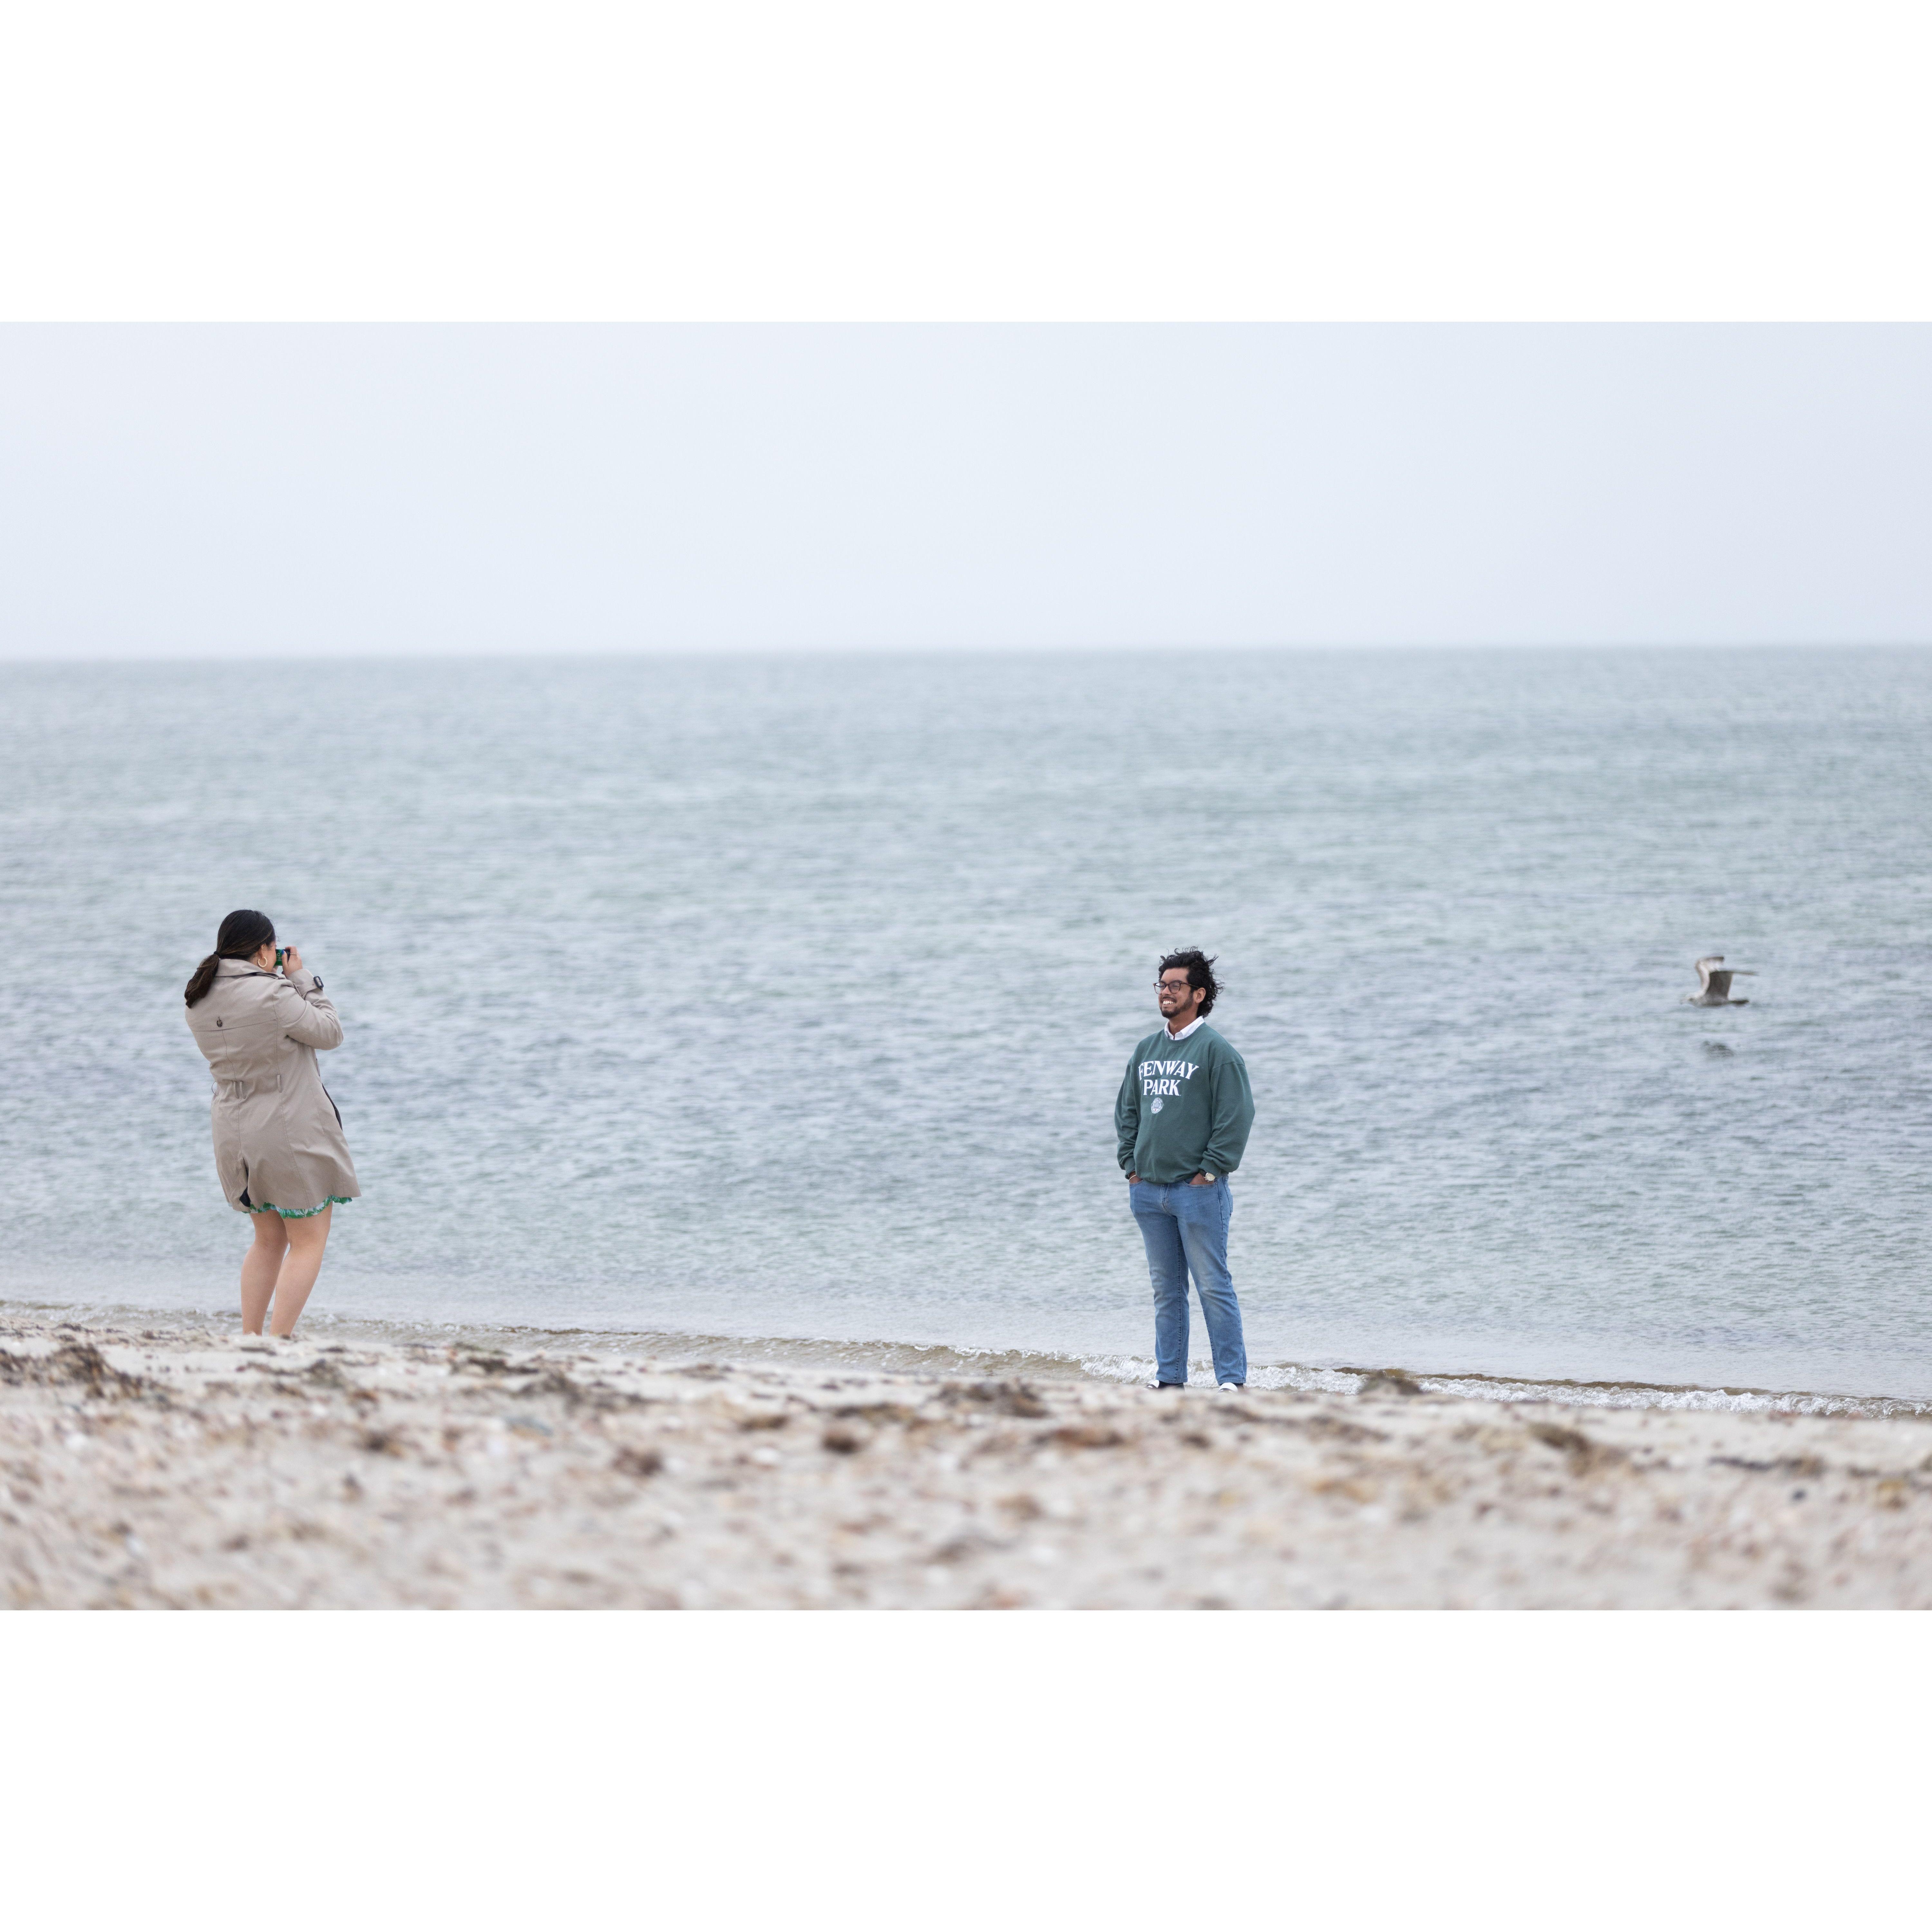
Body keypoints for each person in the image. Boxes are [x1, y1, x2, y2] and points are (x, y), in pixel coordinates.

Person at [183, 909, 359, 1338]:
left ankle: (251, 1338)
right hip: (286, 1130)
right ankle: (278, 1342)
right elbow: (330, 1032)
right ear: (264, 952)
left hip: (233, 1132)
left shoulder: (198, 998)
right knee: (308, 1240)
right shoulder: (275, 994)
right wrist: (302, 978)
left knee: (268, 1240)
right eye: (273, 949)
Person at [1115, 949, 1255, 1390]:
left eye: (1176, 986)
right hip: (1149, 1192)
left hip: (1198, 1192)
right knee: (1167, 1291)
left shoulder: (1217, 1052)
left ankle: (1231, 1380)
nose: (1166, 992)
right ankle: (1170, 1379)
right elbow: (1128, 1112)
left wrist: (1209, 1172)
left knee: (1213, 1287)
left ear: (1199, 994)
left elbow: (1237, 1117)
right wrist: (1131, 1167)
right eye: (1162, 985)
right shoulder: (1146, 1050)